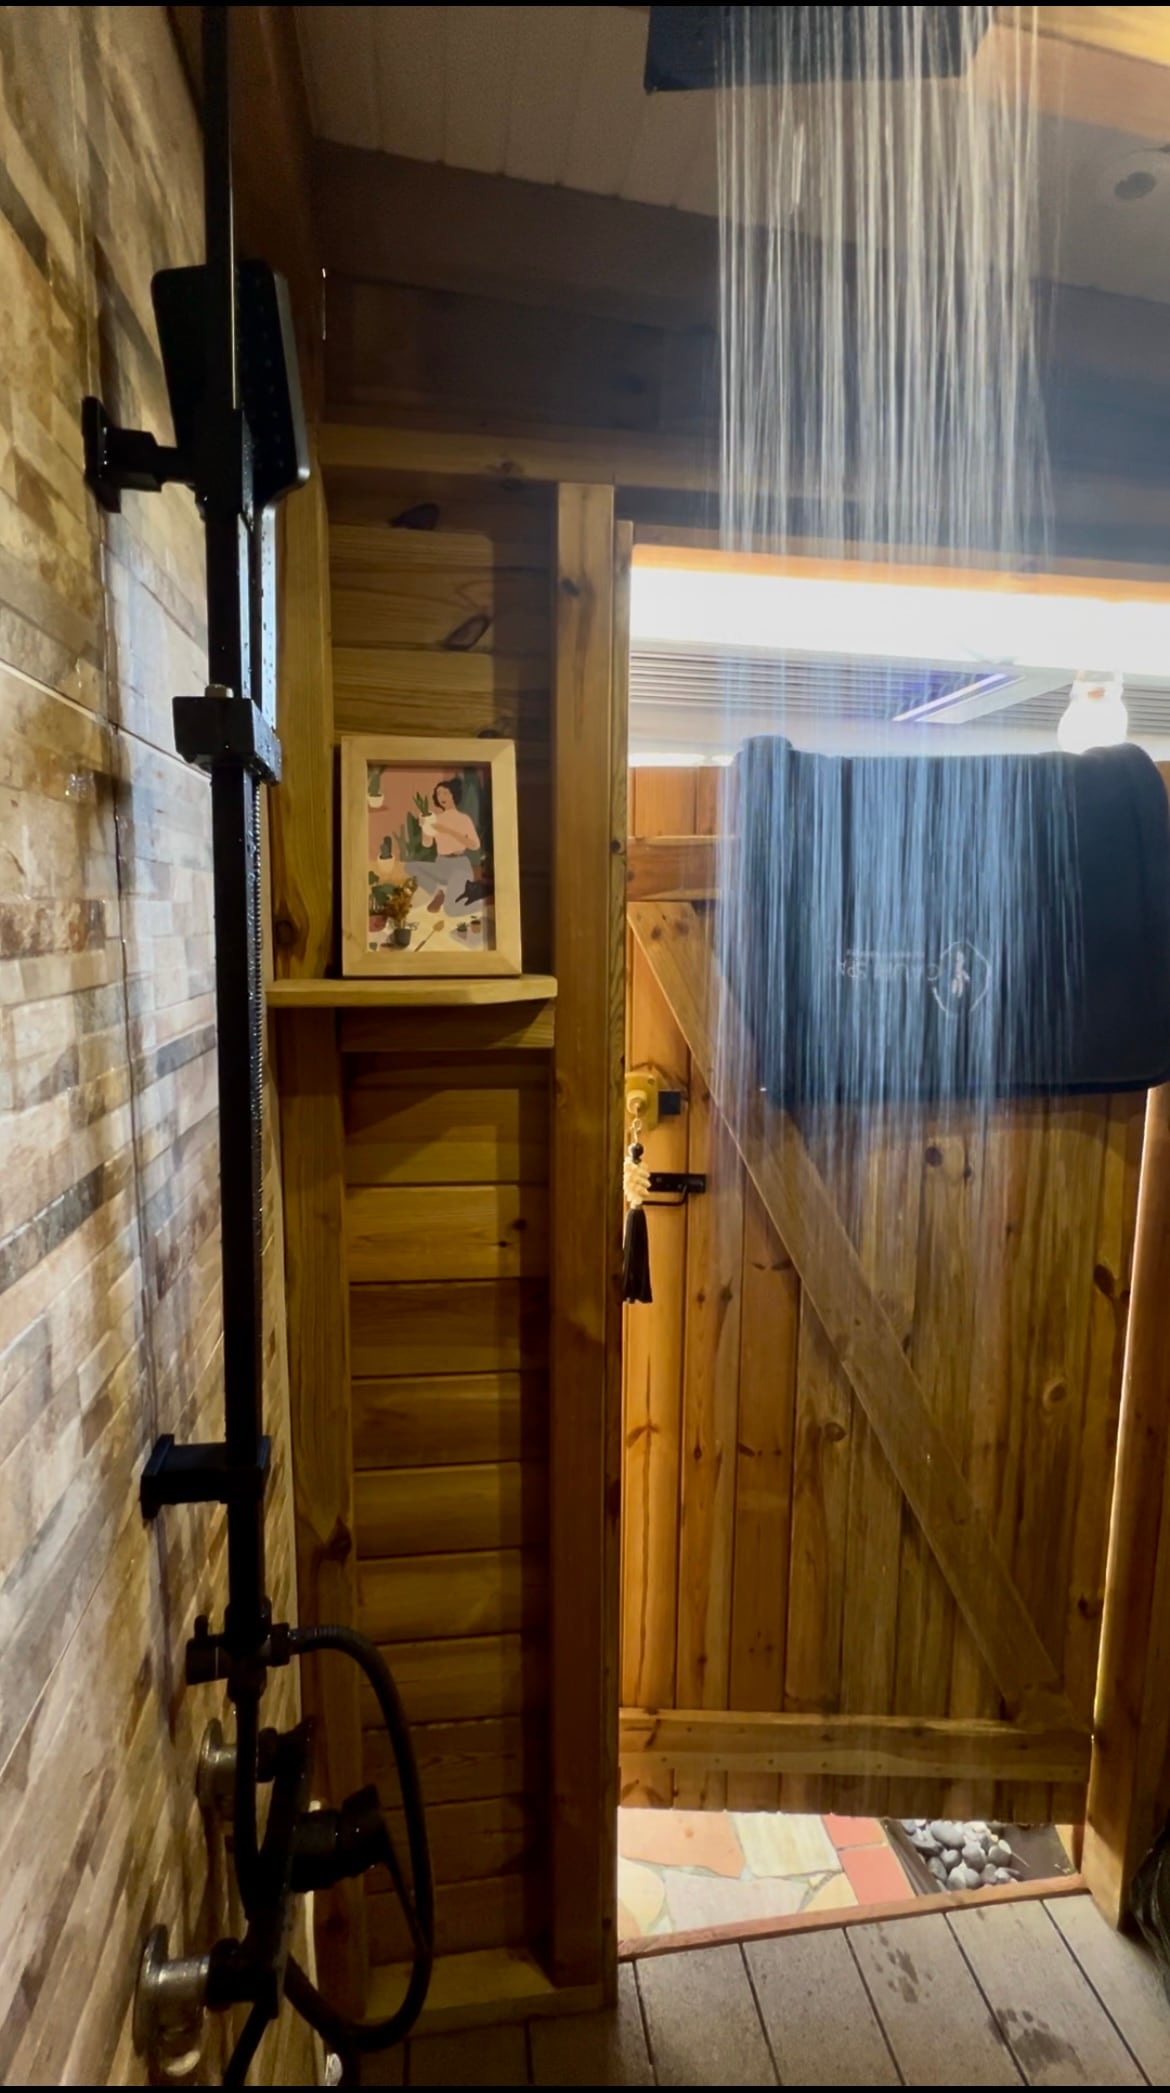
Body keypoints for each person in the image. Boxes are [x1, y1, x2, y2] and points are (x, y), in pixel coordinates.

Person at [409, 777, 482, 917]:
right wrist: (424, 827)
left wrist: (448, 830)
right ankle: (439, 892)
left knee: (451, 910)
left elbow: (475, 845)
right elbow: (427, 844)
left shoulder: (463, 819)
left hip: (460, 866)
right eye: (438, 794)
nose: (441, 797)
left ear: (454, 794)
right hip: (441, 863)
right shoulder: (435, 819)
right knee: (410, 866)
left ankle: (482, 902)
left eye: (445, 793)